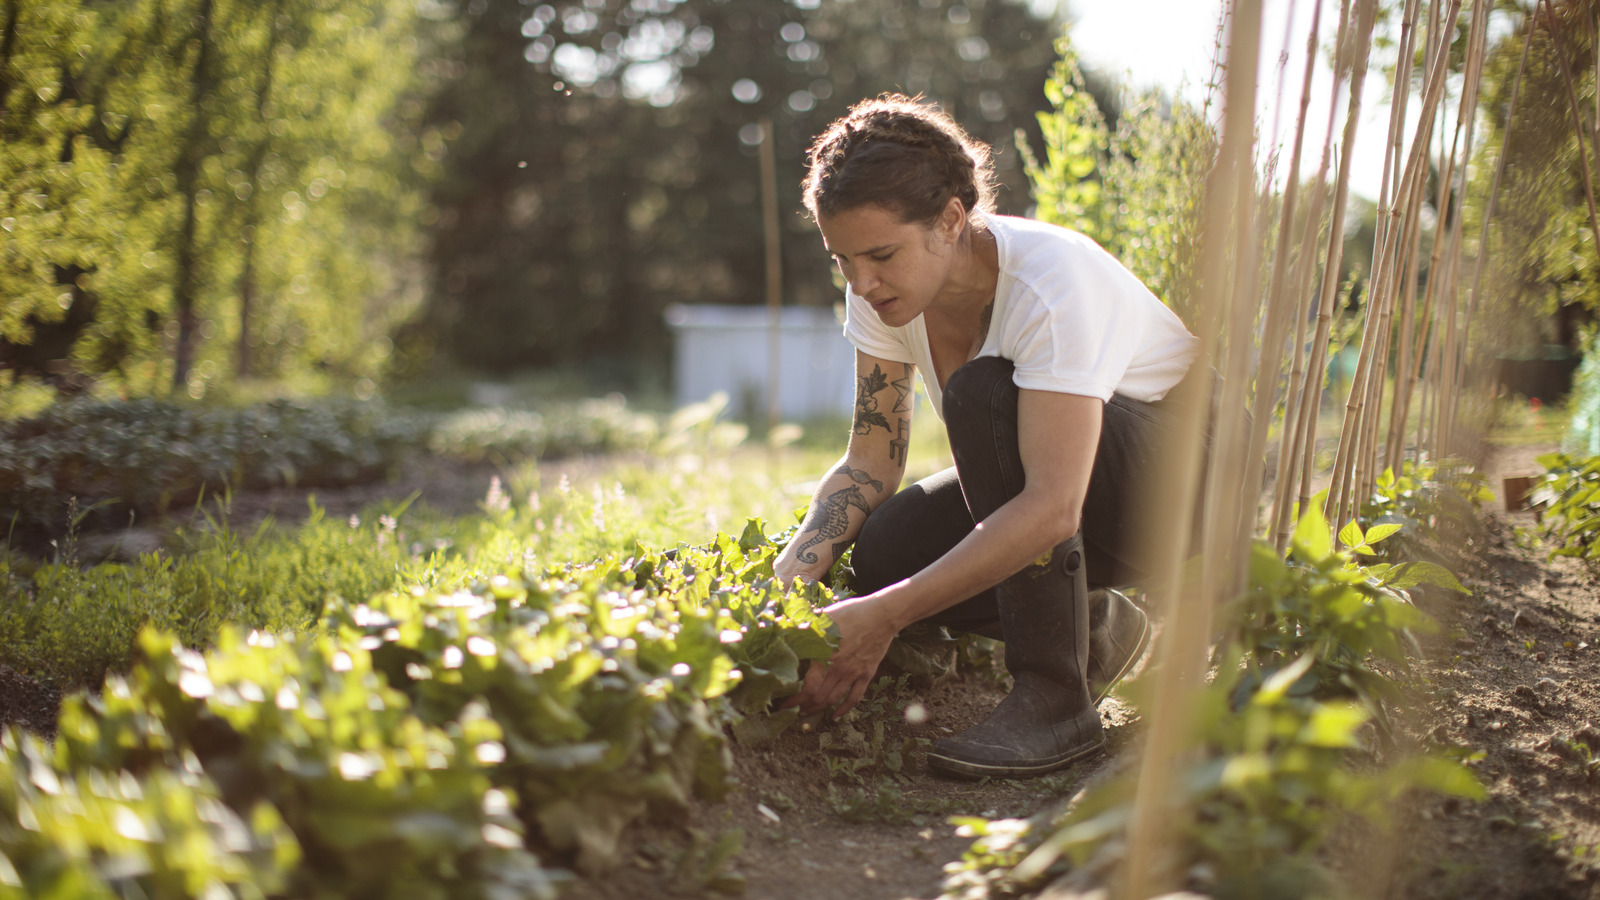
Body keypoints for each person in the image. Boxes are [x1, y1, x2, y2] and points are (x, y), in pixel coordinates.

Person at [772, 94, 1201, 780]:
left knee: (981, 395)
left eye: (880, 254)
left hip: (1187, 482)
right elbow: (868, 463)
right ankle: (1095, 628)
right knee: (886, 549)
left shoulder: (1049, 283)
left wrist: (884, 619)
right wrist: (786, 583)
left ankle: (1057, 698)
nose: (862, 282)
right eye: (843, 260)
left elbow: (1055, 506)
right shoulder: (881, 295)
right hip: (1081, 491)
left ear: (949, 220)